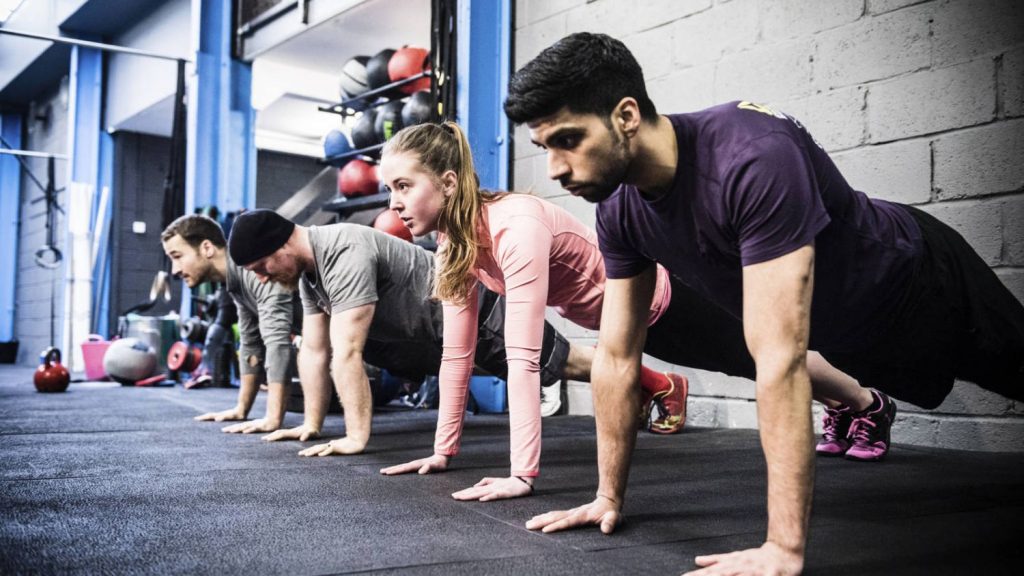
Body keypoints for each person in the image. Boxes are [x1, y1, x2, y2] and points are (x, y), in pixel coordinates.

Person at [503, 32, 1024, 575]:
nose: (556, 170)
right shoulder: (619, 209)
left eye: (568, 140)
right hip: (854, 338)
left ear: (626, 114)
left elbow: (778, 356)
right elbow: (615, 355)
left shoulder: (751, 155)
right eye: (545, 149)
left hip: (919, 285)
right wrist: (607, 497)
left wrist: (784, 548)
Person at [377, 122, 697, 500]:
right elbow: (456, 355)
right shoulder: (454, 244)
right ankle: (662, 385)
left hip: (670, 306)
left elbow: (524, 360)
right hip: (623, 325)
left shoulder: (515, 227)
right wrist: (442, 451)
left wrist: (521, 475)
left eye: (404, 186)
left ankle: (666, 385)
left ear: (448, 183)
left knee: (760, 357)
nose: (394, 204)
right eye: (389, 190)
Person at [227, 210, 605, 463]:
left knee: (568, 364)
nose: (261, 278)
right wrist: (312, 424)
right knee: (546, 370)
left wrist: (357, 438)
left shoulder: (342, 250)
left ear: (283, 245)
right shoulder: (311, 276)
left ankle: (654, 381)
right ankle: (637, 383)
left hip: (479, 312)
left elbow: (346, 352)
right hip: (435, 340)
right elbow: (313, 351)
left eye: (262, 267)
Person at [161, 214, 297, 434]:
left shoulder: (255, 270)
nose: (174, 270)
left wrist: (273, 418)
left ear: (207, 248)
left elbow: (277, 342)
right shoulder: (235, 283)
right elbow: (251, 344)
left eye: (178, 256)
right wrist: (241, 409)